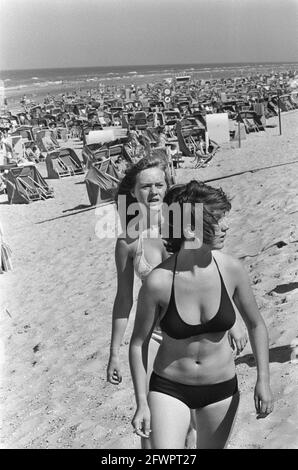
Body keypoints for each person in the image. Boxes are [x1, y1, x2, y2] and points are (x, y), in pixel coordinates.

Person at [129, 180, 273, 449]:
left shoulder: (232, 270)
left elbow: (256, 325)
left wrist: (263, 379)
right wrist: (141, 402)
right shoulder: (158, 282)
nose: (226, 226)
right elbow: (138, 343)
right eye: (217, 220)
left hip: (221, 390)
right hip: (169, 387)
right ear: (188, 226)